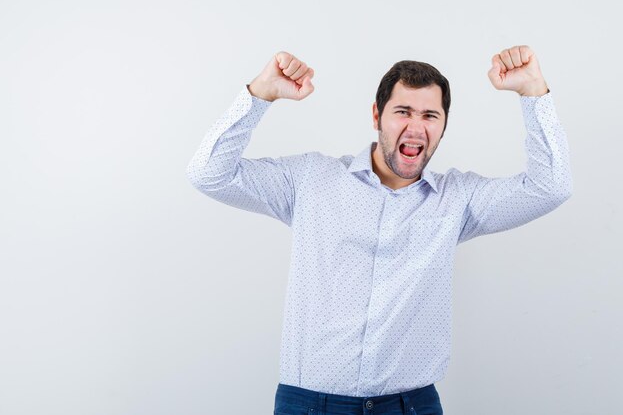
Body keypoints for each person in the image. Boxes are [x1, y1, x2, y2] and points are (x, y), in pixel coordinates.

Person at [186, 45, 572, 415]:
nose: (416, 126)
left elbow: (549, 187)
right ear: (377, 115)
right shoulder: (309, 180)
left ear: (443, 126)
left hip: (410, 407)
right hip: (309, 405)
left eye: (430, 116)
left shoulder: (459, 200)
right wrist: (259, 95)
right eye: (403, 111)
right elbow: (208, 174)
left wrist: (533, 93)